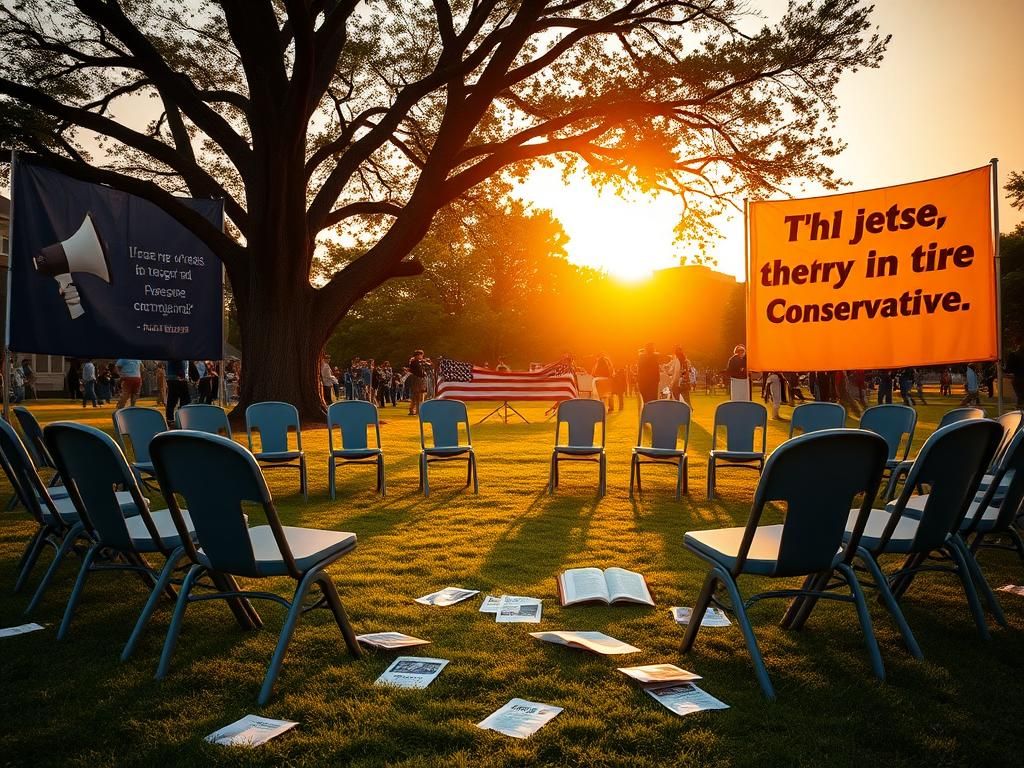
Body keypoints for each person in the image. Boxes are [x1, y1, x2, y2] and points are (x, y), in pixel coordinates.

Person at [407, 350, 429, 415]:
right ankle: (417, 410)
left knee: (419, 396)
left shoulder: (418, 362)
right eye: (421, 355)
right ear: (417, 355)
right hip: (417, 379)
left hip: (420, 379)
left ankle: (415, 410)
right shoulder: (415, 362)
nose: (422, 356)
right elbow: (420, 372)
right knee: (417, 396)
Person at [1007, 336, 1024, 408]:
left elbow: (1009, 369)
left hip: (1018, 378)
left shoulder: (1014, 354)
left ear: (1015, 343)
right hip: (1018, 378)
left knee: (1020, 396)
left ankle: (1020, 410)